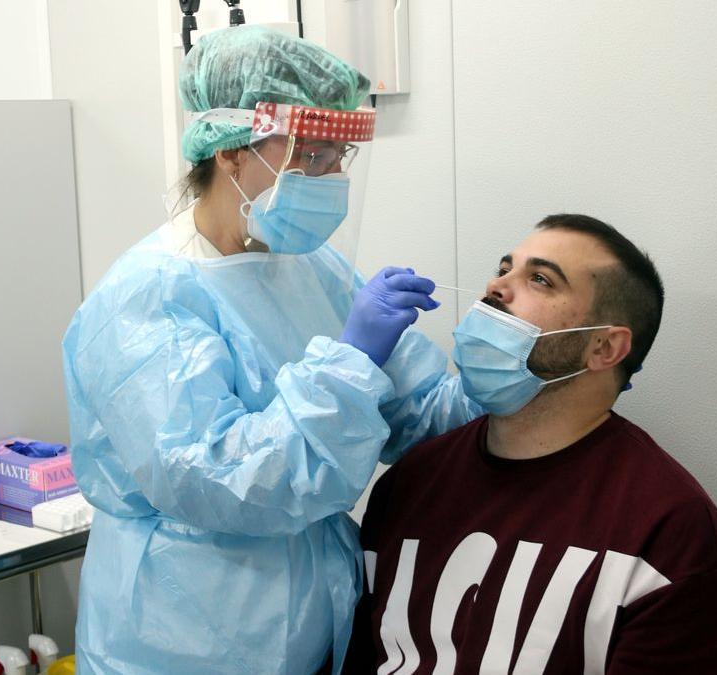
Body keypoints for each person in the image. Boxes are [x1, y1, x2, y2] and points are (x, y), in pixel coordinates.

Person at [61, 26, 479, 674]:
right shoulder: (146, 300)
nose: (331, 177)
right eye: (312, 155)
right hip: (183, 643)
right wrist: (349, 364)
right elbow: (225, 480)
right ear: (232, 152)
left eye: (339, 158)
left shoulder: (311, 265)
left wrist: (496, 375)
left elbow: (404, 416)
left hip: (311, 629)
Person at [345, 214, 717, 674]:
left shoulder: (668, 530)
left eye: (539, 279)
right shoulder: (410, 484)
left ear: (603, 348)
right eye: (503, 268)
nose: (496, 287)